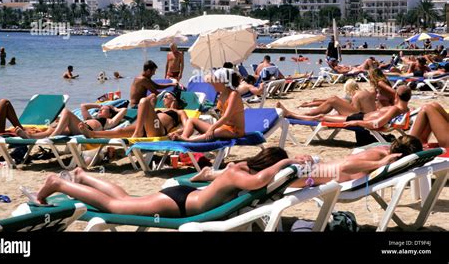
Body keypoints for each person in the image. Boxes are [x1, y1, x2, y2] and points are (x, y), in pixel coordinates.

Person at [23, 147, 298, 216]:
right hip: (179, 204)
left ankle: (82, 176)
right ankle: (57, 183)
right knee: (115, 207)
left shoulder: (243, 168)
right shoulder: (242, 172)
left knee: (125, 200)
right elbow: (259, 180)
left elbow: (262, 178)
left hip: (185, 198)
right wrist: (285, 162)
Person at [286, 135, 422, 187]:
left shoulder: (385, 155)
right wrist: (380, 164)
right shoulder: (379, 157)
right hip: (306, 174)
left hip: (312, 173)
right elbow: (346, 166)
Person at [170, 68, 245, 142]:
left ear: (223, 82)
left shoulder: (234, 94)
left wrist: (211, 129)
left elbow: (226, 117)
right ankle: (183, 137)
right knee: (191, 120)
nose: (212, 84)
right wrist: (180, 131)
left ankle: (188, 140)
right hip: (224, 127)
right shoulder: (221, 94)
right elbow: (207, 79)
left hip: (235, 130)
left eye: (214, 81)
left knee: (217, 132)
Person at [79, 90, 188, 139]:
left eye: (166, 96)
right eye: (163, 97)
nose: (163, 98)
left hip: (159, 129)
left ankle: (138, 132)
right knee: (119, 131)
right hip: (146, 127)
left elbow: (187, 126)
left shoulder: (180, 112)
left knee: (143, 101)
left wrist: (177, 133)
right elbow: (151, 99)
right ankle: (93, 134)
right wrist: (153, 95)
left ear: (174, 99)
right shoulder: (159, 109)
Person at [15, 104, 127, 139]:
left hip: (89, 131)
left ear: (110, 113)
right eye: (100, 109)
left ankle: (53, 136)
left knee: (66, 112)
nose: (100, 110)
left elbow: (124, 110)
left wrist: (114, 108)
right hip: (78, 128)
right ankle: (31, 137)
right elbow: (83, 106)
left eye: (104, 110)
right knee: (53, 129)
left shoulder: (109, 121)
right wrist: (100, 105)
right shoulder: (90, 118)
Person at [277, 79, 376, 118]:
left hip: (363, 118)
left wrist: (339, 109)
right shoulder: (365, 92)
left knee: (333, 99)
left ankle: (297, 114)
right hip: (368, 116)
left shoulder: (356, 96)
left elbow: (356, 112)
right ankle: (298, 114)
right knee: (332, 100)